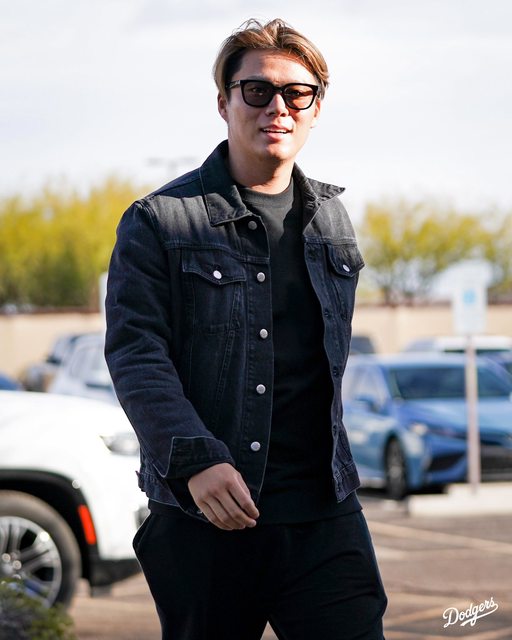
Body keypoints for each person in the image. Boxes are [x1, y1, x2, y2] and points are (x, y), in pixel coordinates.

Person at [105, 17, 387, 640]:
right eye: (257, 90)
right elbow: (136, 354)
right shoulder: (161, 221)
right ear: (224, 102)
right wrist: (195, 460)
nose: (277, 107)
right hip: (206, 515)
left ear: (315, 108)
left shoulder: (331, 220)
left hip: (323, 512)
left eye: (298, 93)